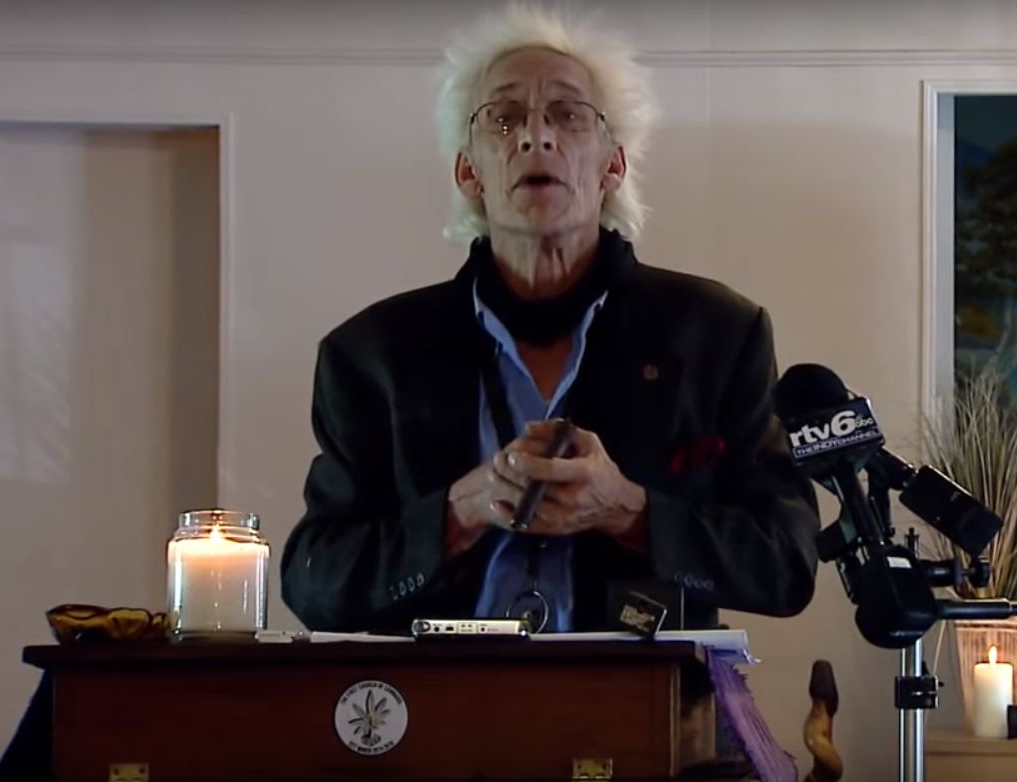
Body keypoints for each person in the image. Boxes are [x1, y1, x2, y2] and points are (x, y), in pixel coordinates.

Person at [279, 2, 820, 635]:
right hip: (441, 692)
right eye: (504, 118)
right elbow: (314, 581)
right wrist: (459, 512)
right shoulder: (371, 354)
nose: (535, 136)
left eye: (568, 115)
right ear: (469, 172)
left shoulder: (719, 334)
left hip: (642, 691)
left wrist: (628, 510)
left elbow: (787, 564)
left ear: (613, 165)